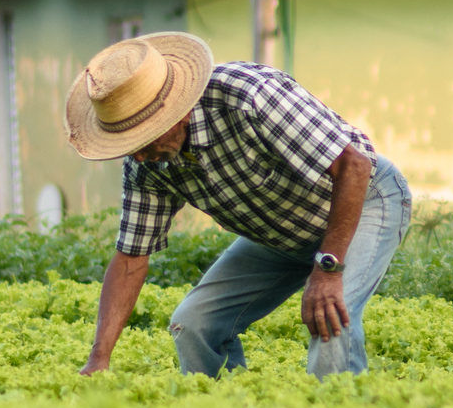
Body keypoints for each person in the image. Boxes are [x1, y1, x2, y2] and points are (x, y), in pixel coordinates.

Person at [62, 32, 411, 378]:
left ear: (177, 113)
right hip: (278, 232)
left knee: (333, 313)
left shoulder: (249, 96)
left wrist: (327, 269)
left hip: (364, 200)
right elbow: (130, 259)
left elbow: (354, 166)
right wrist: (99, 359)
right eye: (127, 143)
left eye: (143, 136)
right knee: (194, 324)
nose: (138, 154)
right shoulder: (147, 162)